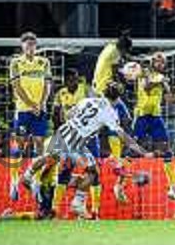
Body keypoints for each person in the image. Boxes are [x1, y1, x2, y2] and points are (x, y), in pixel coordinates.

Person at [22, 84, 147, 218]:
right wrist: (140, 150)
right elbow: (121, 134)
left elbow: (68, 115)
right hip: (77, 140)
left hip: (65, 130)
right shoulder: (109, 112)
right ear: (117, 99)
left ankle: (28, 175)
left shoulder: (89, 100)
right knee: (93, 172)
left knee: (51, 155)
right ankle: (78, 203)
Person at [132, 52, 175, 204]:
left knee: (167, 151)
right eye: (158, 62)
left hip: (155, 117)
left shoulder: (163, 79)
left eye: (163, 62)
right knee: (132, 150)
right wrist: (159, 81)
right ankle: (119, 185)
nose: (160, 64)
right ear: (152, 62)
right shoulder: (144, 72)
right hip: (141, 116)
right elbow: (146, 87)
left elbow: (171, 100)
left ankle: (173, 188)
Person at [52, 68, 104, 218]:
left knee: (94, 173)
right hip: (70, 138)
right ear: (66, 81)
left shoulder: (86, 90)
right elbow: (56, 116)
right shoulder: (60, 94)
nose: (76, 81)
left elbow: (98, 107)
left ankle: (95, 212)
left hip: (89, 138)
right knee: (64, 171)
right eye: (72, 79)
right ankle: (55, 210)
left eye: (77, 78)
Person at [8, 31, 52, 201]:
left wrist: (41, 103)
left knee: (39, 145)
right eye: (27, 44)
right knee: (19, 145)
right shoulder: (15, 63)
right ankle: (13, 182)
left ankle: (35, 180)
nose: (30, 47)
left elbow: (47, 84)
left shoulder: (44, 62)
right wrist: (31, 104)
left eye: (33, 44)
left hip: (40, 110)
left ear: (36, 46)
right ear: (22, 46)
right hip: (24, 110)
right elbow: (16, 87)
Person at [92, 30, 132, 97]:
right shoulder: (115, 53)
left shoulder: (111, 47)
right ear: (123, 48)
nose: (126, 53)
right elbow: (115, 72)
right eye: (126, 51)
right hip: (103, 86)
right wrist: (124, 82)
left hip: (98, 82)